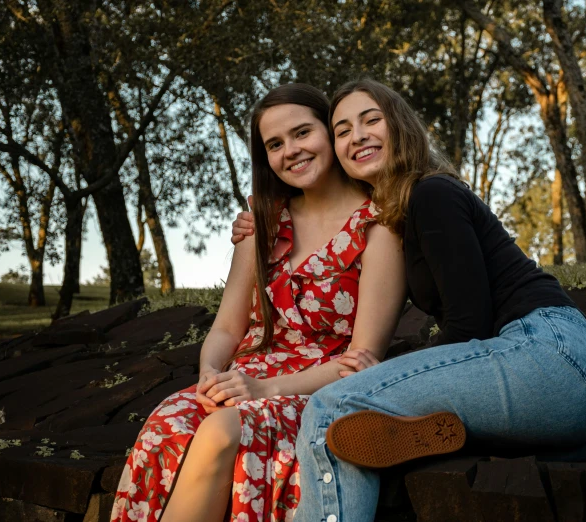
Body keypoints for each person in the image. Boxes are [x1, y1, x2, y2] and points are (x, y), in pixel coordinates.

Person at [230, 78, 586, 522]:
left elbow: (468, 325)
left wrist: (382, 377)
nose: (356, 135)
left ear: (399, 126)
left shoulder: (431, 193)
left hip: (548, 354)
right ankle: (410, 436)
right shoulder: (399, 211)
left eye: (370, 119)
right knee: (360, 431)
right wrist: (260, 219)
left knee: (332, 408)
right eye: (341, 130)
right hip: (577, 422)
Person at [110, 83, 406, 522]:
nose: (291, 150)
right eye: (274, 144)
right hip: (248, 376)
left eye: (302, 132)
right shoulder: (262, 223)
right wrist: (210, 373)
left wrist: (262, 390)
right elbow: (229, 327)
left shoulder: (379, 225)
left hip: (316, 391)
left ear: (330, 132)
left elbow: (362, 357)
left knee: (222, 431)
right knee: (168, 420)